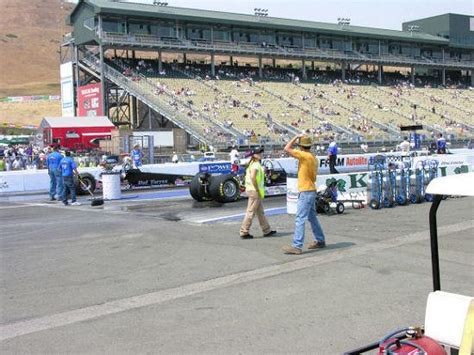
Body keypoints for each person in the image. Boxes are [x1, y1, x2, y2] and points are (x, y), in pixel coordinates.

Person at [282, 135, 326, 255]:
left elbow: (286, 148)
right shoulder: (313, 157)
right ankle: (320, 240)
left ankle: (297, 246)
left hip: (305, 190)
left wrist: (295, 137)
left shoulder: (303, 155)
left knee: (300, 218)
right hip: (311, 189)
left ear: (301, 146)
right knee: (312, 217)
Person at [239, 147, 276, 239]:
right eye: (259, 153)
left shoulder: (252, 163)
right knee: (251, 212)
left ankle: (267, 230)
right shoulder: (255, 165)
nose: (261, 154)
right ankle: (244, 231)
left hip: (251, 190)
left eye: (261, 153)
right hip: (254, 191)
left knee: (260, 212)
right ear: (254, 155)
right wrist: (257, 189)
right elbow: (253, 178)